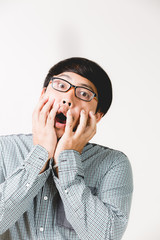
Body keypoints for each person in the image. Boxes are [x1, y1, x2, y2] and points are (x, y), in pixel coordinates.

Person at [0, 57, 133, 240]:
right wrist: (41, 153)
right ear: (43, 95)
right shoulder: (4, 148)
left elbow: (105, 237)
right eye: (61, 86)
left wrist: (67, 159)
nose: (68, 99)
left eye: (84, 94)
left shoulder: (113, 163)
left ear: (98, 116)